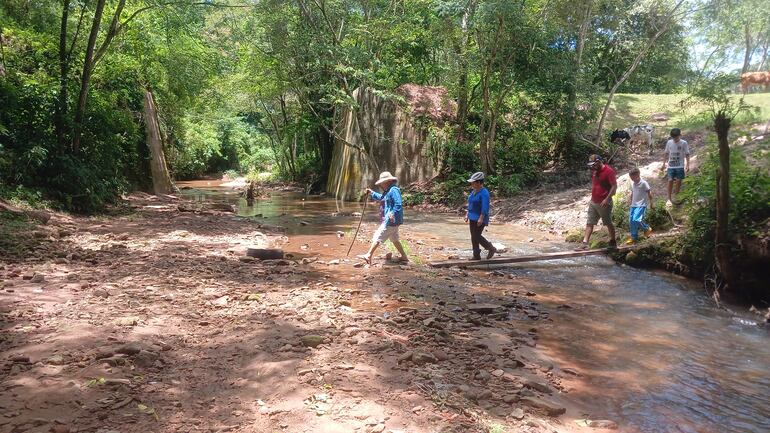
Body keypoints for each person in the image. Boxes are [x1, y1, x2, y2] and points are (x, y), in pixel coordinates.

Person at [357, 171, 407, 264]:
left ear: (387, 182)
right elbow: (381, 198)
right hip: (393, 220)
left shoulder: (394, 190)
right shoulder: (388, 191)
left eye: (381, 183)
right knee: (394, 239)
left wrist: (393, 213)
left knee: (378, 235)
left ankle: (368, 255)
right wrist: (372, 193)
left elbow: (398, 203)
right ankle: (404, 256)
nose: (381, 185)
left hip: (391, 220)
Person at [577, 154, 617, 250]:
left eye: (594, 164)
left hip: (604, 203)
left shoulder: (609, 171)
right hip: (593, 202)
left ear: (599, 162)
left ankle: (613, 241)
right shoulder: (595, 171)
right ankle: (585, 243)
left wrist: (607, 199)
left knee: (608, 223)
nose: (592, 167)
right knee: (589, 222)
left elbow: (614, 186)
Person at [465, 172, 497, 260]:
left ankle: (490, 248)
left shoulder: (484, 193)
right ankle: (476, 255)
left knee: (476, 235)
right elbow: (470, 203)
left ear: (479, 183)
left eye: (473, 182)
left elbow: (485, 206)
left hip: (480, 218)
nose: (471, 184)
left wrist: (481, 218)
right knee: (473, 236)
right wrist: (467, 213)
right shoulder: (474, 191)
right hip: (472, 217)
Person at [626, 167, 654, 245]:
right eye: (630, 177)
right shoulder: (633, 184)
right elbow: (632, 193)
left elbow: (649, 193)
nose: (632, 179)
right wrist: (630, 202)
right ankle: (634, 237)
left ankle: (647, 228)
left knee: (637, 220)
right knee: (631, 221)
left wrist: (652, 202)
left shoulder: (644, 183)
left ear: (638, 175)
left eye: (633, 177)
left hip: (641, 205)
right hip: (633, 205)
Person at [661, 128, 689, 206]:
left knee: (679, 181)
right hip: (671, 166)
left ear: (680, 135)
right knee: (670, 181)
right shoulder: (669, 142)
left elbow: (687, 154)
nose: (675, 139)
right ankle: (669, 198)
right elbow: (666, 153)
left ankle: (676, 196)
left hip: (680, 165)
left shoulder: (684, 143)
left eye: (676, 137)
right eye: (673, 138)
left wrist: (688, 164)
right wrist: (663, 164)